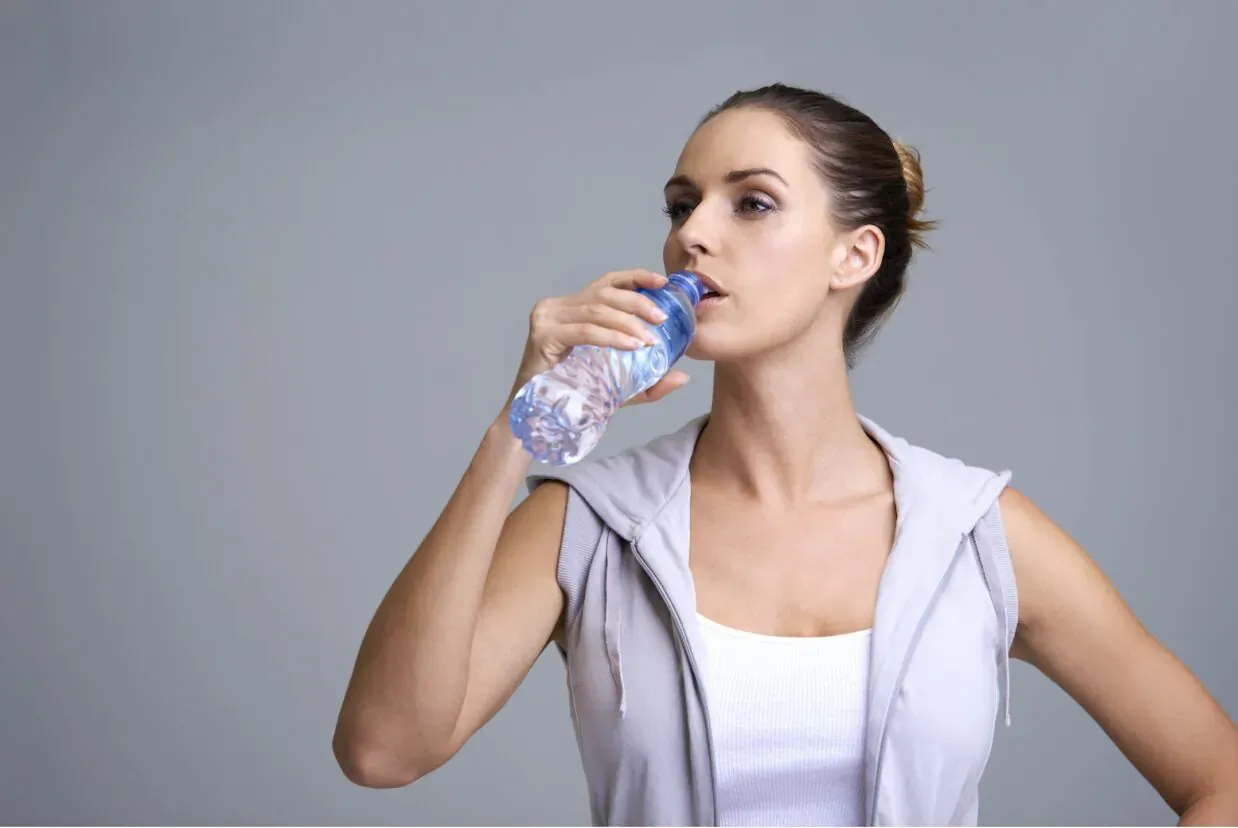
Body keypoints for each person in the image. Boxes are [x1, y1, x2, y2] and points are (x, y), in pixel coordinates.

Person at [332, 83, 1238, 826]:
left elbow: (1220, 783)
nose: (692, 234)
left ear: (855, 255)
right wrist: (515, 429)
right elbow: (383, 750)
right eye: (681, 206)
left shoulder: (975, 534)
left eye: (752, 203)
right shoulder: (589, 527)